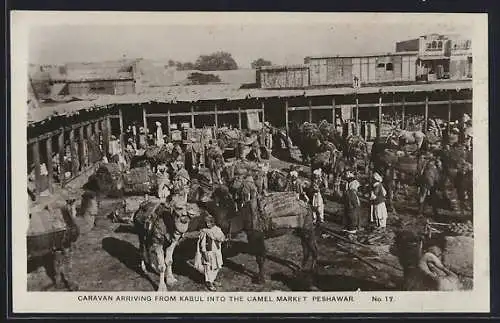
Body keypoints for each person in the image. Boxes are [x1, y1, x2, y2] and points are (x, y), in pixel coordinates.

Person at [194, 213, 226, 291]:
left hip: (217, 251)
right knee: (209, 267)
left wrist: (220, 238)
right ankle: (208, 281)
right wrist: (204, 252)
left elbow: (222, 238)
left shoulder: (217, 229)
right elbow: (202, 244)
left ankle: (213, 279)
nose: (208, 224)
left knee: (217, 266)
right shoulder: (204, 231)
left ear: (213, 222)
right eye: (206, 223)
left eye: (209, 222)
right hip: (209, 252)